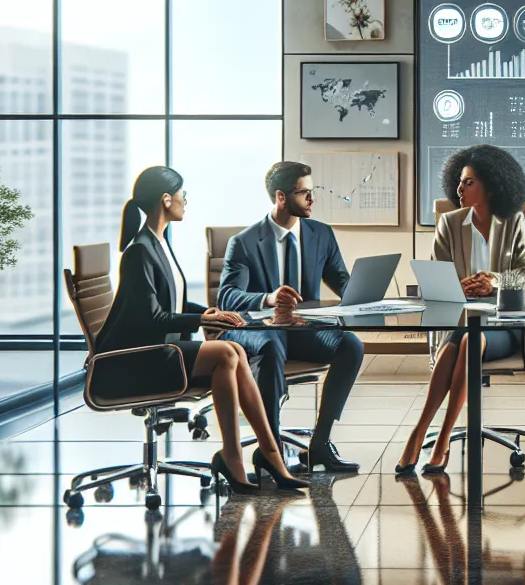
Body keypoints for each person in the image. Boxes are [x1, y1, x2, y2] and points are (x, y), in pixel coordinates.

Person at [95, 166, 305, 493]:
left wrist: (210, 313)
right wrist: (201, 321)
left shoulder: (158, 243)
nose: (186, 200)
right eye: (182, 194)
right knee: (227, 353)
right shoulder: (139, 253)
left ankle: (267, 454)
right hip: (135, 362)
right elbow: (152, 318)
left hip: (162, 352)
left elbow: (174, 303)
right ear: (166, 200)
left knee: (233, 351)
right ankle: (239, 457)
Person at [216, 161, 367, 474]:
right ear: (281, 197)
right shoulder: (244, 242)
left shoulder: (321, 234)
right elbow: (227, 297)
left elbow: (340, 279)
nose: (312, 199)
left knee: (350, 345)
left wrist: (365, 293)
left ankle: (320, 444)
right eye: (304, 193)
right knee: (271, 347)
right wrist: (268, 298)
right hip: (257, 329)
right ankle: (270, 449)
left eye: (312, 191)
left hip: (301, 329)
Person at [397, 144, 525, 476]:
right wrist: (459, 286)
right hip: (462, 320)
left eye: (468, 182)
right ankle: (420, 433)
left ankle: (440, 439)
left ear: (491, 186)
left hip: (502, 324)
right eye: (459, 181)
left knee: (468, 342)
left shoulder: (512, 222)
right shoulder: (449, 223)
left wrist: (494, 281)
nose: (459, 189)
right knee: (456, 345)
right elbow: (437, 278)